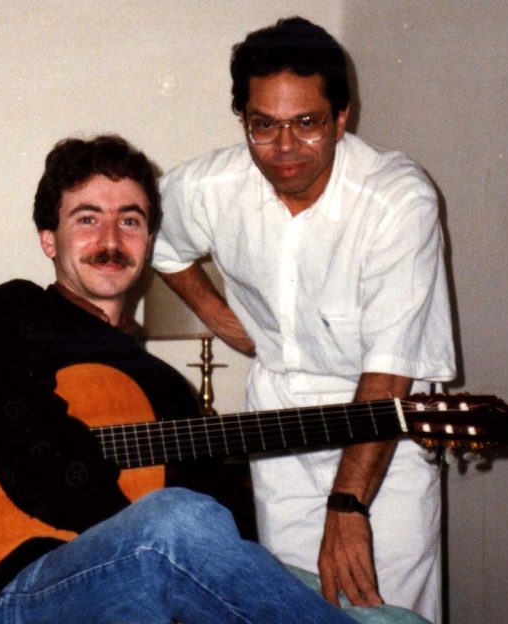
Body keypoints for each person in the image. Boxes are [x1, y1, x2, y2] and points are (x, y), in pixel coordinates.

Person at [0, 135, 427, 624]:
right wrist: (136, 522)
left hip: (143, 577)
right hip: (22, 586)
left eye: (130, 221)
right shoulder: (18, 309)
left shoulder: (165, 387)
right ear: (48, 239)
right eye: (87, 219)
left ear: (148, 243)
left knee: (394, 621)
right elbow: (0, 413)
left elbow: (217, 529)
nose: (111, 240)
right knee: (176, 519)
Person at [151, 17, 456, 623]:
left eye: (307, 123)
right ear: (243, 119)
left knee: (387, 612)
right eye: (264, 125)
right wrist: (219, 315)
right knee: (287, 608)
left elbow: (389, 371)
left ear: (342, 118)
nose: (285, 147)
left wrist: (348, 506)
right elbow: (160, 242)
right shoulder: (209, 186)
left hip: (386, 425)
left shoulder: (397, 200)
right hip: (279, 423)